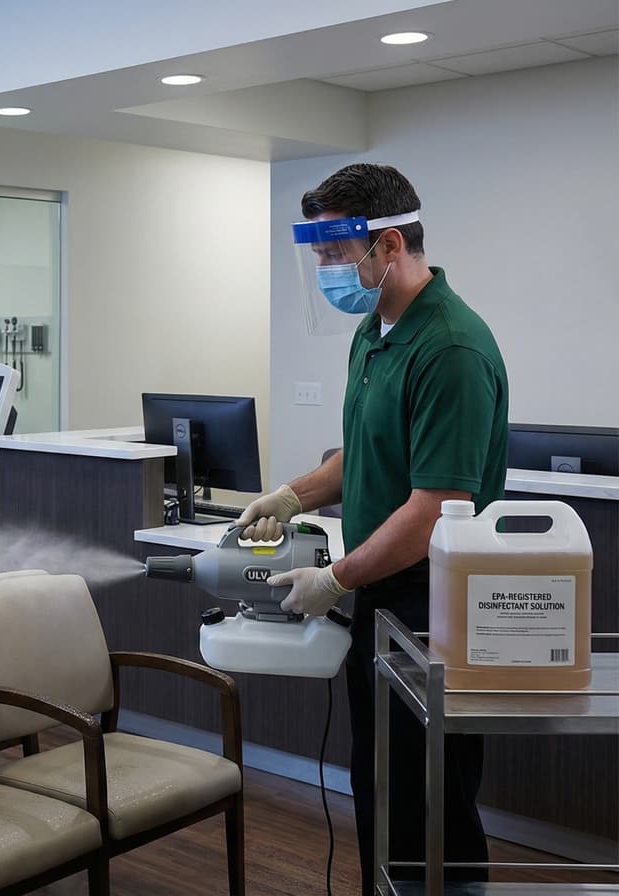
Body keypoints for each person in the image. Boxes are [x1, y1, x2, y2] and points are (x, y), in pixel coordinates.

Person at [234, 163, 509, 895]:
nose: (326, 269)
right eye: (320, 254)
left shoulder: (449, 348)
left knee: (430, 799)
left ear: (389, 244)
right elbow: (365, 450)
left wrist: (334, 578)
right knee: (383, 786)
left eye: (334, 253)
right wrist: (292, 497)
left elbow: (433, 508)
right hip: (383, 599)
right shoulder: (374, 331)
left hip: (433, 608)